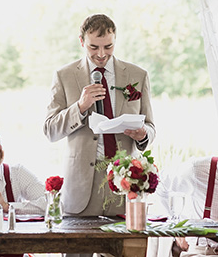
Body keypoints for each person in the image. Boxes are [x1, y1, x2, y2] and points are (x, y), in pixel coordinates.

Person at [43, 13, 156, 219]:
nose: (102, 54)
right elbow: (50, 130)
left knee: (127, 251)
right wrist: (80, 107)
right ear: (81, 42)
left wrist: (143, 135)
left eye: (108, 46)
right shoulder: (64, 75)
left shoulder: (138, 75)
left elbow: (150, 125)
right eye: (94, 47)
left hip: (125, 184)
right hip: (81, 188)